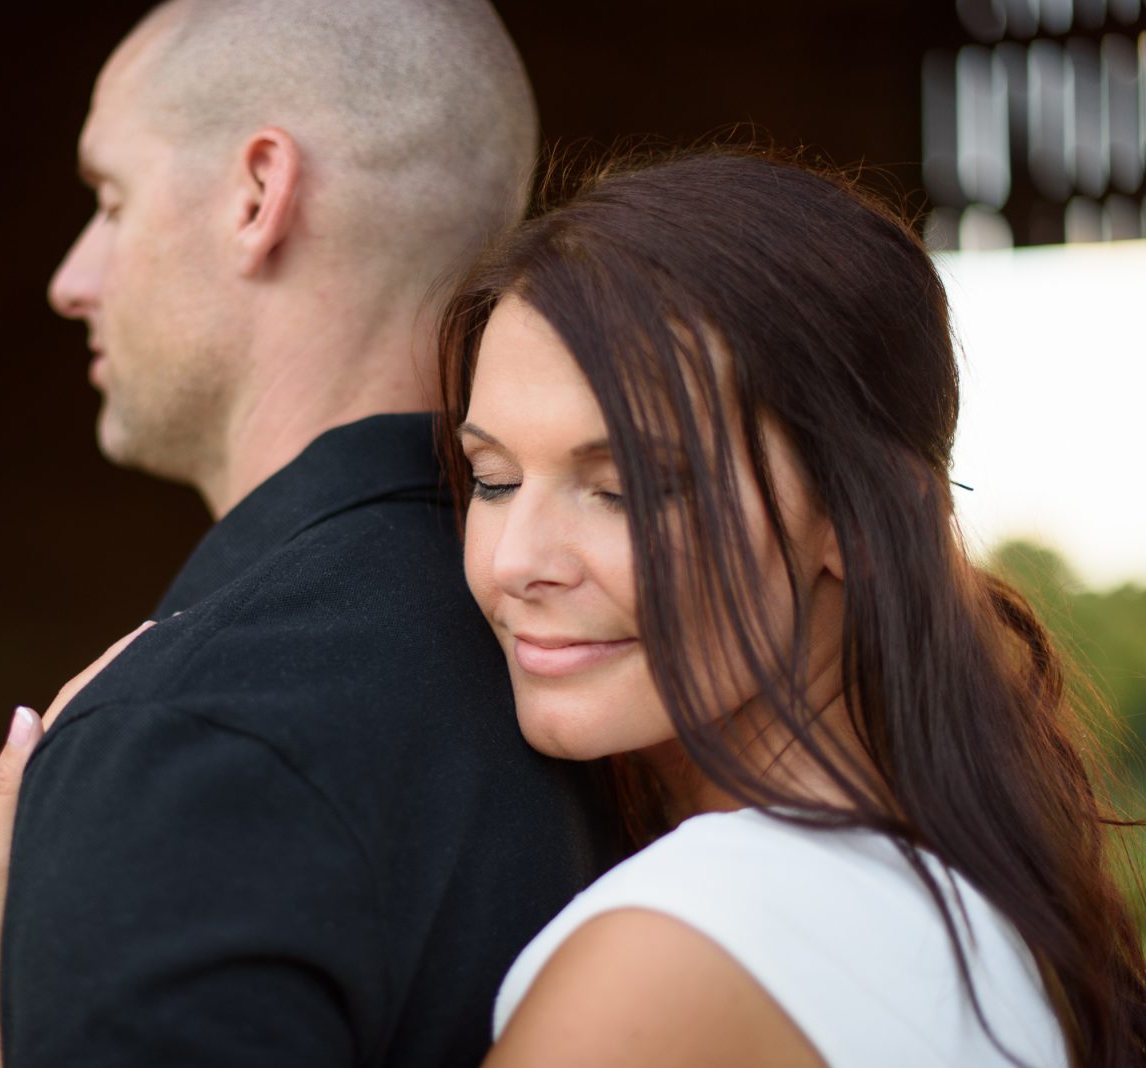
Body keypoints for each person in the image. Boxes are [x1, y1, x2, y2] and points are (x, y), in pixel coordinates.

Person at [0, 1, 622, 1065]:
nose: (71, 279)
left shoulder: (187, 745)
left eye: (110, 200)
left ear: (259, 194)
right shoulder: (632, 684)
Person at [438, 149, 1146, 1066]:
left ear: (855, 515)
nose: (515, 561)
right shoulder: (973, 906)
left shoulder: (670, 960)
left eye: (624, 489)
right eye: (492, 480)